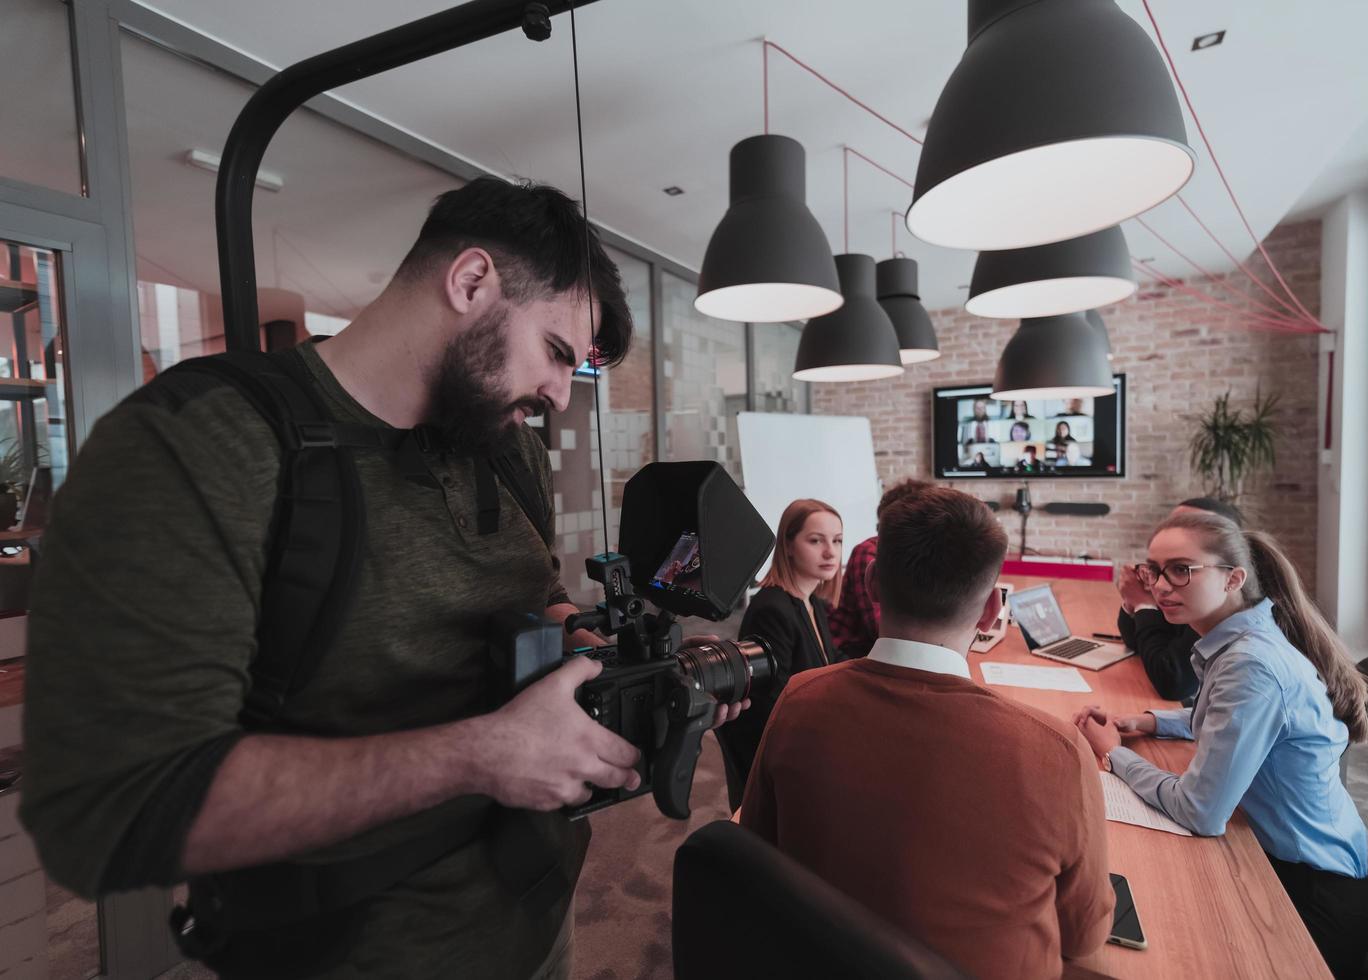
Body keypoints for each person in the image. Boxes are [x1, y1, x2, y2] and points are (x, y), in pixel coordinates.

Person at [19, 176, 746, 979]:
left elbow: (537, 589)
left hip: (538, 921)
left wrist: (594, 649)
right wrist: (482, 755)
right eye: (556, 353)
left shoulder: (508, 451)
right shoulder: (199, 448)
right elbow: (106, 811)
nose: (558, 398)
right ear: (471, 282)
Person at [743, 485, 1113, 978]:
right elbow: (1085, 937)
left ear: (873, 583)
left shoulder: (797, 701)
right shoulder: (1059, 752)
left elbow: (757, 855)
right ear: (989, 612)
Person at [1074, 511, 1368, 977]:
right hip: (1309, 863)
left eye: (1182, 570)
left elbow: (1200, 812)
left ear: (1234, 578)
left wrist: (1116, 755)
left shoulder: (1250, 665)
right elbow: (1226, 717)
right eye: (1154, 570)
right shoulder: (1244, 636)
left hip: (1311, 898)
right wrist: (1150, 722)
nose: (1160, 587)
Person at [716, 499, 842, 806]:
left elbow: (830, 665)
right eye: (816, 541)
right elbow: (773, 707)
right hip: (782, 758)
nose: (830, 552)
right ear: (787, 545)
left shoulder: (811, 602)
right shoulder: (772, 609)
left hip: (808, 738)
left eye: (837, 541)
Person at [1116, 496, 1244, 701]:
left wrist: (1144, 605)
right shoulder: (1185, 589)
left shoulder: (1245, 650)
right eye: (1173, 524)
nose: (1160, 586)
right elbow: (1136, 641)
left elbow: (1175, 682)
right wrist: (1135, 603)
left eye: (1181, 568)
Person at [827, 480, 929, 661]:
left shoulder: (919, 554)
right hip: (852, 655)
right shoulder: (869, 552)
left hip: (893, 654)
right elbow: (882, 629)